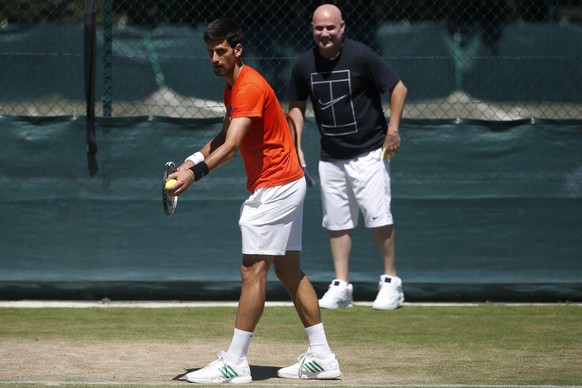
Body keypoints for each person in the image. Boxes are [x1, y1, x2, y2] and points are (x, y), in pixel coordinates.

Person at [165, 18, 342, 384]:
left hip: (276, 186)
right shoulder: (233, 88)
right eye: (210, 53)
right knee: (289, 270)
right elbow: (222, 135)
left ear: (237, 50)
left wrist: (193, 177)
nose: (214, 58)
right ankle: (323, 358)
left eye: (221, 51)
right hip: (288, 182)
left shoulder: (247, 87)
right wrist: (191, 161)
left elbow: (231, 147)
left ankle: (235, 362)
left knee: (252, 270)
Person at [287, 4, 408, 310]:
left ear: (342, 27)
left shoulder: (362, 56)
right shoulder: (304, 65)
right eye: (318, 28)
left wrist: (392, 130)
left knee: (379, 216)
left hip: (370, 152)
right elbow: (297, 105)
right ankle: (342, 286)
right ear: (312, 29)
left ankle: (391, 282)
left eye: (330, 28)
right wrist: (297, 143)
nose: (324, 34)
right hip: (331, 157)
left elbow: (398, 88)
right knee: (336, 222)